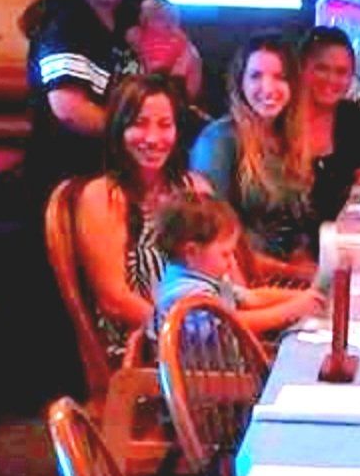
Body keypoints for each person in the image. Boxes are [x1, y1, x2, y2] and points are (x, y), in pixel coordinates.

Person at [73, 73, 203, 359]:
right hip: (141, 351)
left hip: (206, 339)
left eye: (165, 125)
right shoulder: (102, 196)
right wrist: (180, 331)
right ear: (118, 129)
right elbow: (114, 300)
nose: (153, 138)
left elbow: (231, 278)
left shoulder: (195, 188)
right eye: (139, 124)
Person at [20, 0, 143, 206]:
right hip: (67, 175)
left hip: (116, 169)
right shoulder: (65, 25)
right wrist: (134, 133)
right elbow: (69, 109)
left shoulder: (131, 22)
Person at [189, 34, 313, 273]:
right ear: (240, 82)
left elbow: (296, 225)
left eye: (280, 77)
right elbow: (214, 237)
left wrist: (302, 262)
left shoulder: (289, 138)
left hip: (282, 275)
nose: (268, 88)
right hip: (237, 278)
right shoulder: (219, 140)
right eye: (256, 76)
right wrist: (293, 273)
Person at [151, 191, 326, 338]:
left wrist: (305, 297)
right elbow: (232, 325)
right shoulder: (186, 294)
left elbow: (252, 298)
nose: (232, 262)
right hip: (207, 369)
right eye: (225, 254)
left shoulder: (207, 275)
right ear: (191, 252)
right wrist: (291, 310)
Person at [293, 26, 360, 247]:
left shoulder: (359, 118)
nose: (331, 79)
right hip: (289, 248)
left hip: (343, 241)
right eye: (321, 69)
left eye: (342, 72)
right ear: (301, 69)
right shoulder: (279, 118)